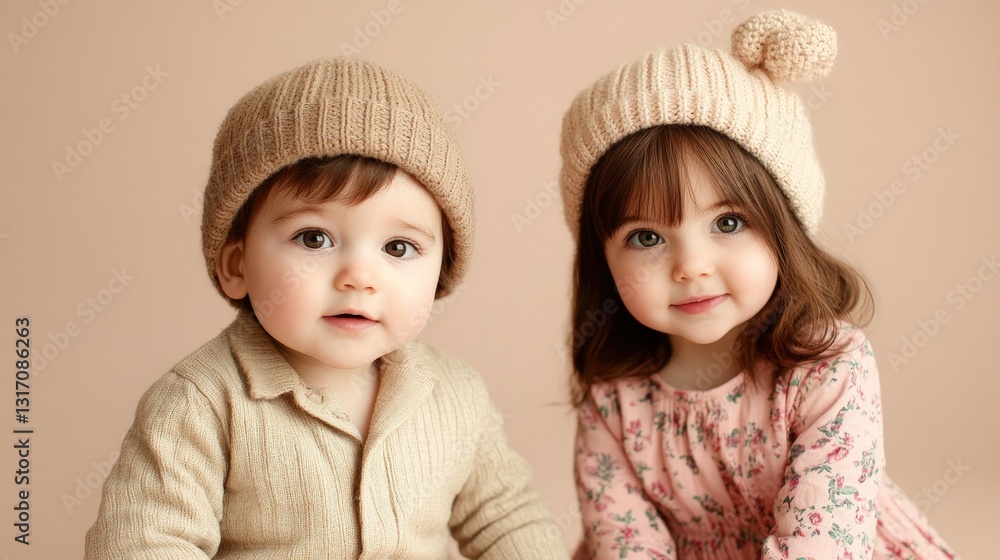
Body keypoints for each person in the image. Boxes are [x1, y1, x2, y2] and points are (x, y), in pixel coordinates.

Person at [85, 58, 569, 559]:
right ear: (237, 265)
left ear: (443, 269)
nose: (359, 277)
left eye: (399, 248)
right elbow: (145, 542)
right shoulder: (201, 404)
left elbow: (509, 520)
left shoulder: (457, 395)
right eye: (313, 238)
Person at [559, 9, 958, 560]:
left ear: (783, 227)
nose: (691, 266)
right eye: (647, 237)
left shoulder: (827, 367)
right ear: (601, 260)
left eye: (727, 223)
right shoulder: (614, 398)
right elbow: (626, 543)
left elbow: (822, 542)